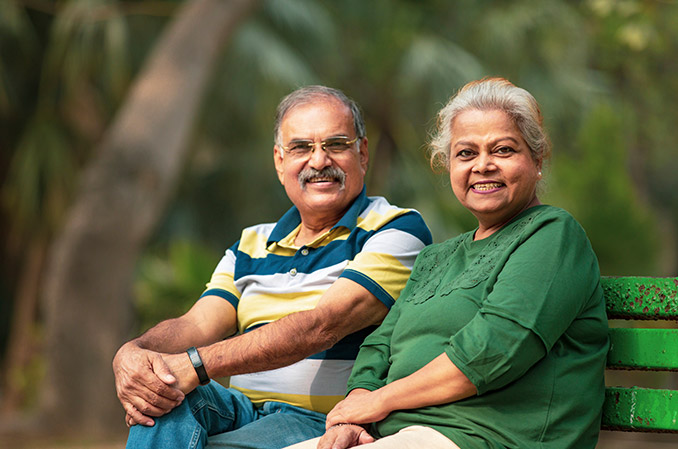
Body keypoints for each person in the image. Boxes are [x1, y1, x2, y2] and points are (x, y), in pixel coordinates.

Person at [285, 78, 609, 449]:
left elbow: (490, 353)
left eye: (503, 150)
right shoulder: (435, 258)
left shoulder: (552, 235)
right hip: (394, 435)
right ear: (448, 165)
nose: (483, 166)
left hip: (486, 438)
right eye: (466, 153)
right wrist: (354, 415)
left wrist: (376, 402)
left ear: (536, 161)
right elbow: (379, 347)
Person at [112, 85, 432, 449]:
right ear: (279, 162)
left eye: (336, 144)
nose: (318, 161)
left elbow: (321, 326)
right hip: (240, 409)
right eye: (301, 147)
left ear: (362, 153)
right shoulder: (252, 243)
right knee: (161, 400)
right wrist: (135, 351)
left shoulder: (395, 228)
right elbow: (197, 323)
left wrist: (195, 365)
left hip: (322, 421)